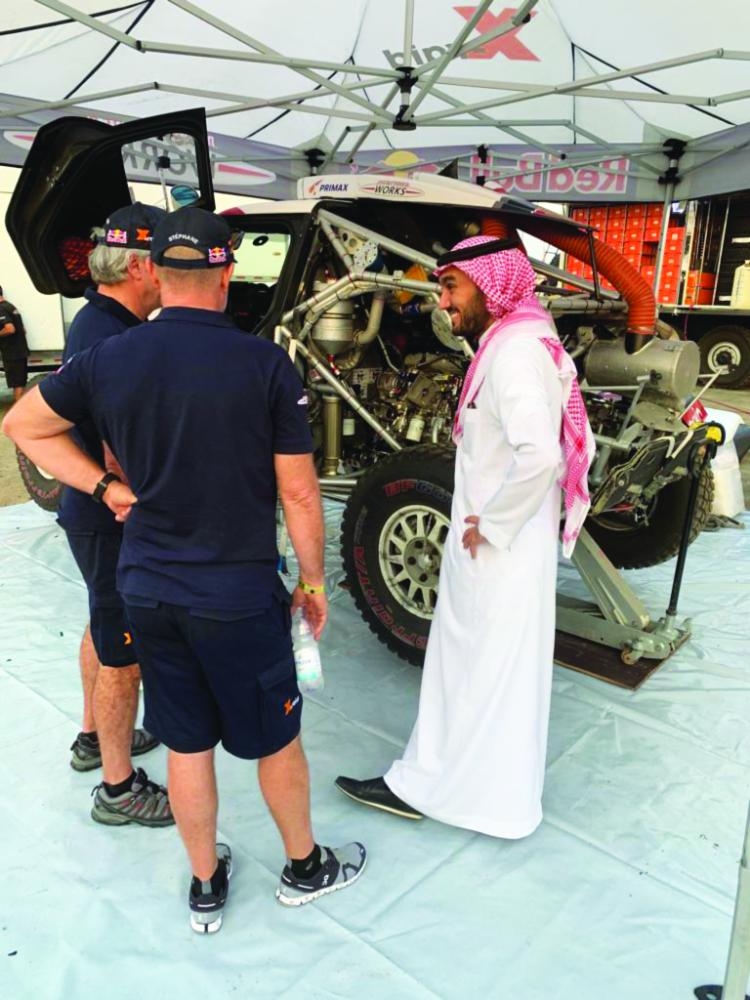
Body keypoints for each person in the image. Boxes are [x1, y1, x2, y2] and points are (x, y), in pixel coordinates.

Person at [3, 206, 366, 934]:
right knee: (275, 739)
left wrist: (104, 487)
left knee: (187, 744)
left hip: (149, 588)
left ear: (157, 274)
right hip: (236, 594)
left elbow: (22, 425)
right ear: (225, 274)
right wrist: (313, 582)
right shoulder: (263, 363)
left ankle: (205, 884)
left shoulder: (111, 356)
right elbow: (300, 492)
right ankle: (304, 866)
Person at [336, 236, 595, 839]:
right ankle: (483, 797)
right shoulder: (518, 338)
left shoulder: (514, 354)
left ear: (489, 284)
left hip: (498, 549)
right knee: (489, 673)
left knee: (474, 671)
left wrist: (492, 524)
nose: (443, 300)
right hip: (507, 546)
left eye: (452, 286)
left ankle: (438, 791)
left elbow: (541, 455)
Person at [59, 203, 172, 830]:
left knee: (103, 624)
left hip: (90, 513)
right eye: (164, 261)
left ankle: (93, 737)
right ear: (136, 267)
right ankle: (118, 787)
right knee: (123, 655)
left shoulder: (95, 321)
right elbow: (114, 446)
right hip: (108, 514)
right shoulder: (112, 336)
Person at [0, 286, 30, 401]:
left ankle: (19, 409)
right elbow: (23, 330)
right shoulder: (11, 306)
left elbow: (10, 329)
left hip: (12, 353)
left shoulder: (1, 309)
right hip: (20, 351)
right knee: (20, 383)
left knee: (17, 385)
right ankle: (24, 408)